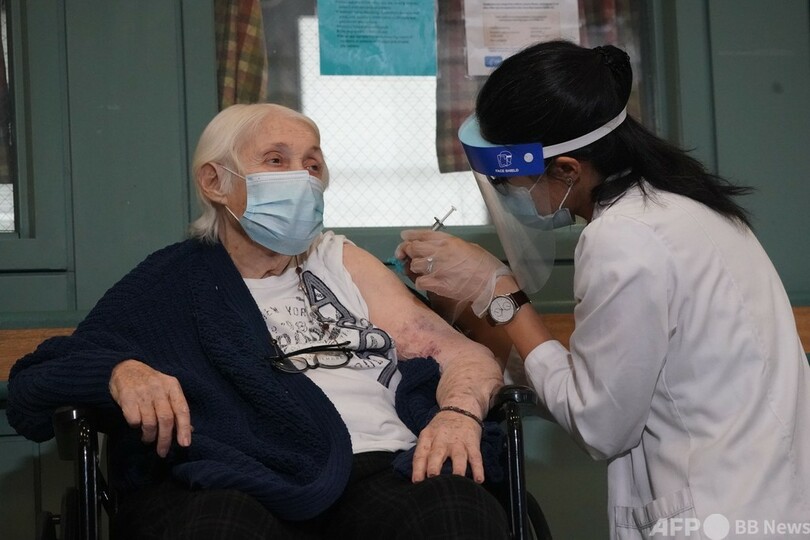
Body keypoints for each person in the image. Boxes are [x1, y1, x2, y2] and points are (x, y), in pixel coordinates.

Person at [7, 103, 512, 539]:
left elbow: (462, 355)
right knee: (219, 527)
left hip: (384, 468)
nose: (302, 178)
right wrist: (121, 371)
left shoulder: (340, 260)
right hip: (240, 476)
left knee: (455, 511)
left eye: (312, 165)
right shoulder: (172, 280)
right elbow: (35, 382)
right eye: (276, 160)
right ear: (215, 182)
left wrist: (458, 413)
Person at [396, 40, 810, 539]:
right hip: (763, 500)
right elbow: (613, 377)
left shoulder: (622, 238)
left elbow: (599, 426)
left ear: (568, 169)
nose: (508, 195)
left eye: (512, 182)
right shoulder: (686, 205)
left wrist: (498, 289)